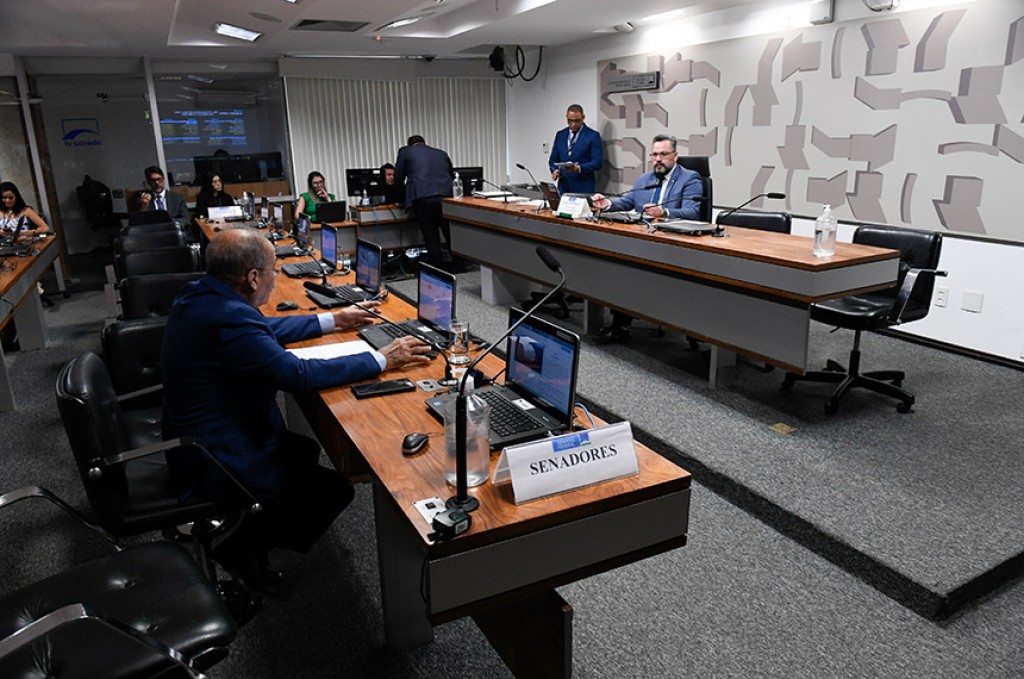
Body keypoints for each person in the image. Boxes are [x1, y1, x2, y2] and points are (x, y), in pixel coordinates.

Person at [161, 228, 431, 593]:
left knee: (305, 451)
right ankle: (239, 545)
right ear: (252, 278)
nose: (274, 278)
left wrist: (333, 320)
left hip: (200, 431)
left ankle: (254, 527)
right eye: (272, 270)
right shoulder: (228, 318)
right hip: (215, 453)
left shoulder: (199, 293)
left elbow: (263, 328)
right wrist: (382, 359)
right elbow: (297, 375)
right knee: (333, 490)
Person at [590, 134, 704, 344]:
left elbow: (693, 211)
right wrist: (606, 204)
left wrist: (664, 212)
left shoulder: (690, 178)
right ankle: (620, 324)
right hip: (642, 242)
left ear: (675, 156)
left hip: (674, 245)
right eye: (654, 155)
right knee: (620, 265)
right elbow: (626, 202)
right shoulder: (644, 179)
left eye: (664, 154)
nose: (658, 159)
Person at [394, 135, 455, 269]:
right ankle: (460, 265)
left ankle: (437, 268)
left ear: (410, 145)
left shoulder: (405, 151)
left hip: (423, 198)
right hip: (446, 198)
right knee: (450, 234)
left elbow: (398, 178)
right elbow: (452, 176)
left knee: (431, 234)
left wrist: (399, 199)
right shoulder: (441, 153)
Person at [548, 104, 603, 195]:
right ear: (566, 117)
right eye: (570, 120)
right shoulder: (560, 135)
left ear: (583, 117)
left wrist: (578, 168)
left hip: (583, 188)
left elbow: (597, 163)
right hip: (564, 188)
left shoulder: (593, 136)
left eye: (577, 121)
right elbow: (553, 160)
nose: (573, 124)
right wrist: (554, 170)